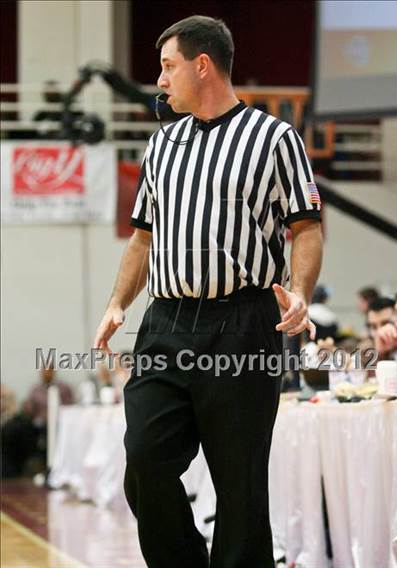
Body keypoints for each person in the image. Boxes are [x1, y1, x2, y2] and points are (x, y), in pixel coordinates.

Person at [94, 15, 323, 568]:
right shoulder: (162, 144)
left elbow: (306, 227)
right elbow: (142, 238)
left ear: (203, 65)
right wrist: (117, 302)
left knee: (240, 485)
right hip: (165, 322)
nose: (161, 80)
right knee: (145, 460)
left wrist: (299, 290)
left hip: (242, 321)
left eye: (168, 66)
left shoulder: (275, 139)